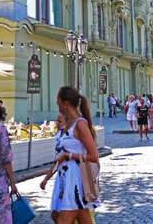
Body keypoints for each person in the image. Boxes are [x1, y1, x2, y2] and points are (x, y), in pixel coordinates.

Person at [50, 86, 100, 224]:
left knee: (62, 221)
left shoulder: (80, 123)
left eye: (58, 100)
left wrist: (68, 155)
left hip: (76, 179)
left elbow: (94, 155)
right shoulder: (69, 123)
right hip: (66, 178)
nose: (57, 103)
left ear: (65, 103)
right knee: (81, 220)